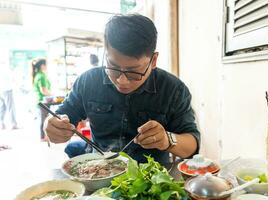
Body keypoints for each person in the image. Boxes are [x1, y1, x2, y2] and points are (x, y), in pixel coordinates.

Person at [44, 14, 200, 165]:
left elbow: (192, 145)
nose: (122, 80)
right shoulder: (88, 81)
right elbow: (61, 116)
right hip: (98, 173)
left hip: (150, 181)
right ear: (106, 55)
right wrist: (52, 127)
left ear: (153, 61)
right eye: (113, 67)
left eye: (133, 71)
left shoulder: (173, 89)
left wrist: (167, 140)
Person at [32, 58, 51, 140]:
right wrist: (52, 95)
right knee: (44, 119)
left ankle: (43, 136)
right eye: (46, 64)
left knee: (43, 119)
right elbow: (43, 90)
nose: (47, 66)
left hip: (40, 101)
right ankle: (43, 137)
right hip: (43, 101)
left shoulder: (37, 75)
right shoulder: (41, 76)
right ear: (42, 65)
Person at [0, 64, 18, 130]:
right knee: (11, 107)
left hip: (1, 90)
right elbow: (12, 79)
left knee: (2, 107)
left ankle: (1, 124)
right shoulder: (5, 69)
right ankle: (13, 124)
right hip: (7, 89)